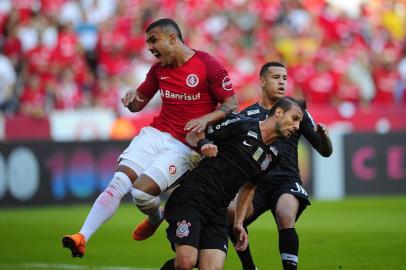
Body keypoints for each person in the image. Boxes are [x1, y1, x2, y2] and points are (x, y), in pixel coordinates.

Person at [62, 18, 238, 258]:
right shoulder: (158, 70)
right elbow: (138, 104)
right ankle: (81, 236)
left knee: (141, 194)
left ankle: (155, 216)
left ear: (172, 38)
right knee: (118, 182)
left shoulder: (208, 64)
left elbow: (231, 104)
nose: (149, 47)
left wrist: (205, 119)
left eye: (153, 41)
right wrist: (131, 97)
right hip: (155, 134)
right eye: (147, 43)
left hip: (186, 145)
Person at [162, 97, 305, 270]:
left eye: (299, 122)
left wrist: (238, 222)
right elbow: (194, 132)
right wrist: (204, 143)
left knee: (211, 267)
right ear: (279, 112)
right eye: (294, 119)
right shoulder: (241, 124)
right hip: (193, 198)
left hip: (218, 211)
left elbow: (250, 187)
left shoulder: (273, 156)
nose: (297, 127)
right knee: (186, 262)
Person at [228, 61, 333, 270]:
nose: (282, 82)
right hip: (255, 183)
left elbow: (325, 151)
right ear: (262, 81)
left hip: (286, 180)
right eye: (276, 77)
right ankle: (249, 267)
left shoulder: (296, 111)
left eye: (285, 78)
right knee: (231, 214)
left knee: (285, 213)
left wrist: (324, 137)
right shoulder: (246, 115)